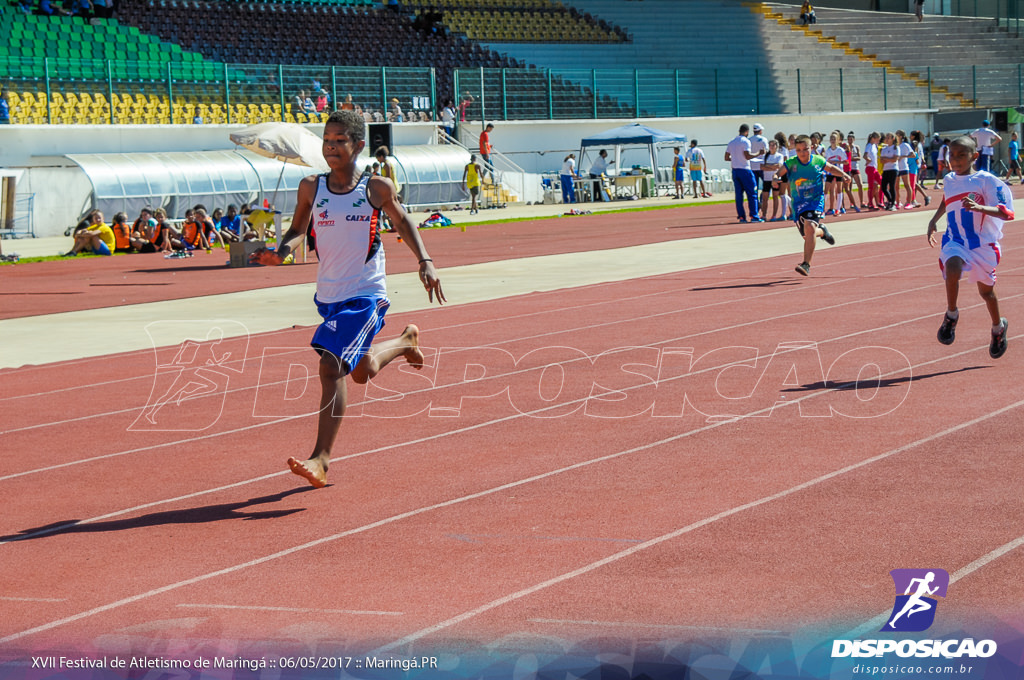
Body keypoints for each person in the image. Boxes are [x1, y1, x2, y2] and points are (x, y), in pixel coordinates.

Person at [251, 110, 444, 488]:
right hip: (330, 296)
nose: (331, 147)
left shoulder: (376, 189)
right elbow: (295, 231)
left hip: (366, 294)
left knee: (331, 366)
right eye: (326, 141)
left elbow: (403, 221)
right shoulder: (311, 187)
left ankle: (321, 459)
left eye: (340, 141)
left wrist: (426, 261)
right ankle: (406, 342)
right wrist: (281, 252)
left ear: (357, 146)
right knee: (361, 371)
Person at [926, 135, 1012, 358]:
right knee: (952, 268)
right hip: (955, 240)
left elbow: (1006, 212)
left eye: (961, 155)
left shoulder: (986, 181)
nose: (955, 160)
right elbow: (947, 199)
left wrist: (981, 208)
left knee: (987, 293)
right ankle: (951, 315)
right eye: (951, 155)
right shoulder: (949, 179)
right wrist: (934, 220)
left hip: (982, 245)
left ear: (974, 156)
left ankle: (998, 328)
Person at [774, 134, 849, 276]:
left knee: (809, 227)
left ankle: (806, 264)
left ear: (812, 148)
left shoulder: (818, 161)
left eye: (805, 149)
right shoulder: (791, 163)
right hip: (798, 204)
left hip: (815, 201)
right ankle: (823, 231)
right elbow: (778, 173)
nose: (802, 153)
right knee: (808, 235)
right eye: (799, 150)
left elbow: (831, 168)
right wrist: (775, 179)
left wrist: (844, 175)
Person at [724, 123, 764, 223]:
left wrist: (736, 159)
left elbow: (726, 157)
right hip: (745, 169)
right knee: (752, 193)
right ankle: (754, 216)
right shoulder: (746, 141)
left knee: (739, 195)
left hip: (735, 170)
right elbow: (747, 156)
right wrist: (759, 153)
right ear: (746, 132)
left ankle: (741, 217)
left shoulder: (732, 142)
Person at [760, 139, 784, 221]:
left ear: (776, 146)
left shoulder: (779, 156)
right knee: (765, 197)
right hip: (766, 179)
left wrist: (768, 166)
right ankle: (763, 215)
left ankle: (774, 215)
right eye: (770, 145)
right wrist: (771, 167)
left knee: (775, 197)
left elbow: (778, 166)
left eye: (773, 145)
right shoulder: (765, 156)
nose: (772, 147)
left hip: (775, 179)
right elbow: (762, 167)